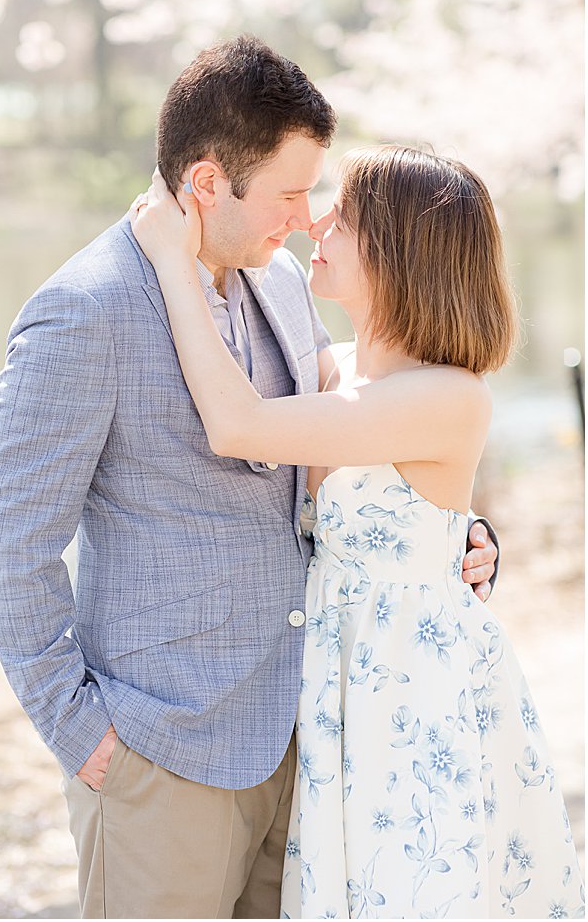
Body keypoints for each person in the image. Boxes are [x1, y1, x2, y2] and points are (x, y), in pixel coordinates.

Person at [0, 36, 499, 919]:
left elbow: (365, 437)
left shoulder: (283, 279)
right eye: (290, 194)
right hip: (160, 754)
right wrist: (79, 728)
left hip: (305, 743)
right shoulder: (85, 311)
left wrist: (458, 531)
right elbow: (8, 532)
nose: (306, 217)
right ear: (208, 183)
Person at [132, 145, 583, 918]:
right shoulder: (334, 370)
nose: (315, 221)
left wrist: (173, 264)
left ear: (400, 251)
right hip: (345, 690)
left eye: (342, 216)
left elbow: (238, 425)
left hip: (417, 692)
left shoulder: (447, 395)